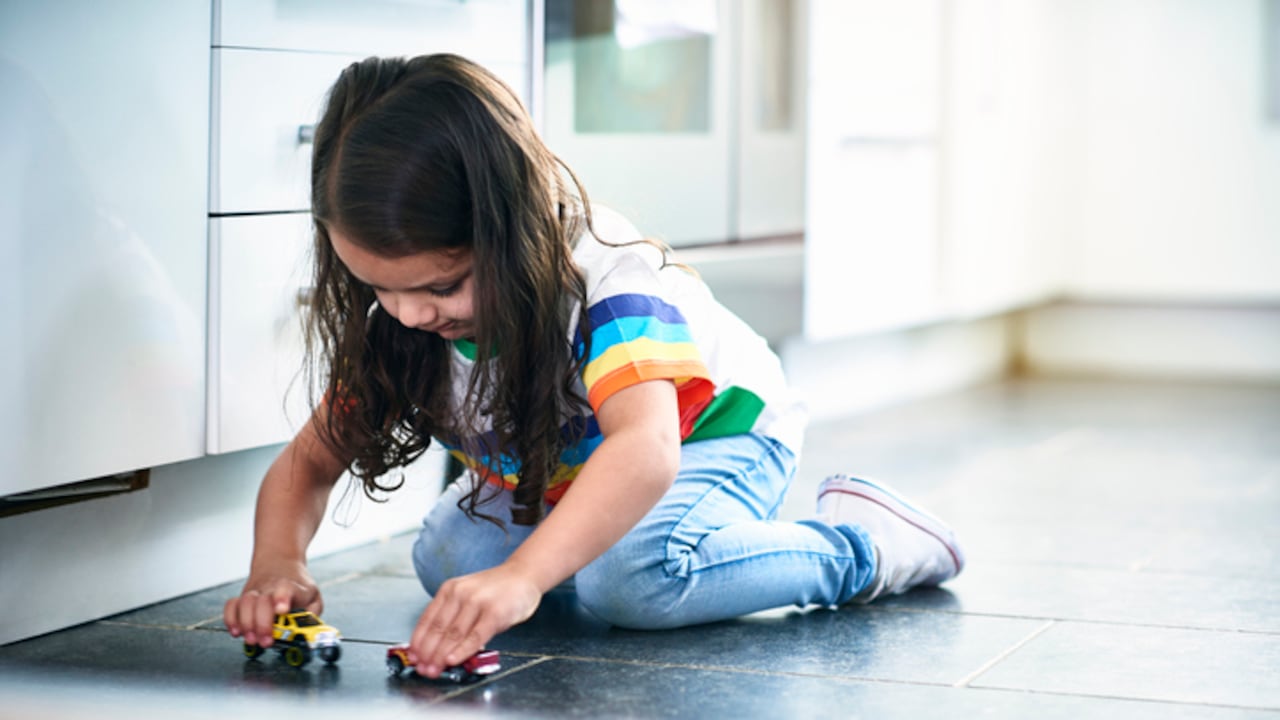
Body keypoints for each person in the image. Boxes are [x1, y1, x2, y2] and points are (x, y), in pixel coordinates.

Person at [222, 53, 964, 679]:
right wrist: (278, 563)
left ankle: (862, 548)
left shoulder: (609, 282)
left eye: (440, 287)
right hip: (574, 468)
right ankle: (610, 548)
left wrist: (524, 576)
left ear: (510, 233)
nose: (411, 313)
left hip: (719, 434)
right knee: (450, 562)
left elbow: (645, 450)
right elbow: (308, 463)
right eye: (377, 287)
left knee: (630, 584)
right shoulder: (403, 319)